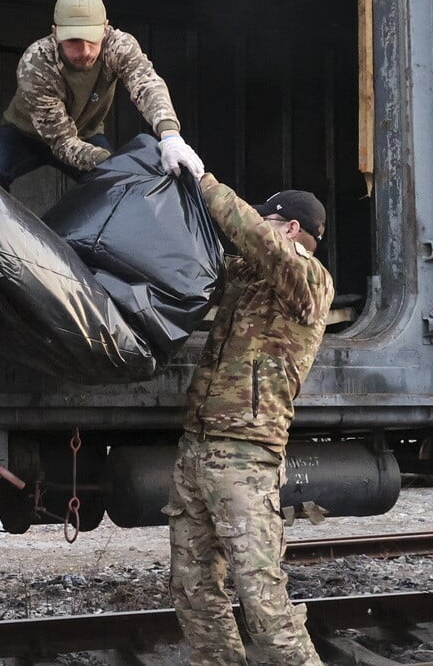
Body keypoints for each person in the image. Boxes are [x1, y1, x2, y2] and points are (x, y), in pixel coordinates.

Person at [163, 176, 335, 666]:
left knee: (262, 600)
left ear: (292, 228)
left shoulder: (309, 280)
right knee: (193, 588)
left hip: (245, 454)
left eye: (271, 218)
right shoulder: (247, 277)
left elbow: (259, 239)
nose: (260, 226)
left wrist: (203, 180)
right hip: (197, 447)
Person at [0, 0, 203, 190]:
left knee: (116, 186)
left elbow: (147, 84)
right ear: (56, 33)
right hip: (25, 136)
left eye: (91, 39)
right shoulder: (36, 63)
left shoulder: (118, 46)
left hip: (86, 134)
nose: (84, 51)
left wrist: (170, 136)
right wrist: (119, 162)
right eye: (73, 41)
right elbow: (63, 143)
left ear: (105, 28)